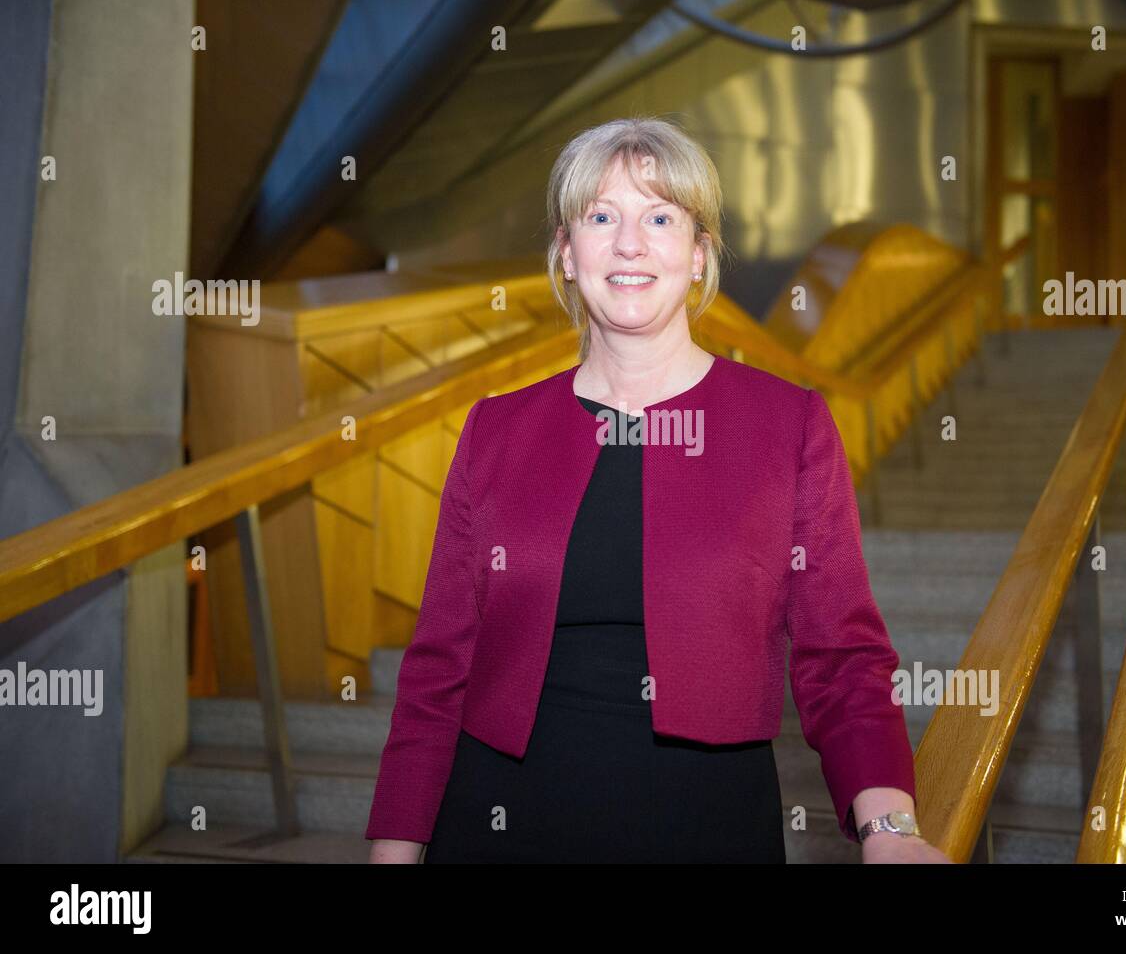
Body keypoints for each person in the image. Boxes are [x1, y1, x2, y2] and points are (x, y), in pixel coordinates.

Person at [365, 116, 949, 864]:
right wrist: (393, 853)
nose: (629, 243)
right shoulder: (495, 431)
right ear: (566, 255)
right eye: (600, 217)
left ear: (699, 256)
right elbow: (437, 670)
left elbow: (841, 657)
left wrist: (889, 831)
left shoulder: (788, 424)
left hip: (705, 826)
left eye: (661, 217)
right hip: (500, 825)